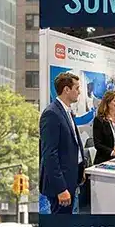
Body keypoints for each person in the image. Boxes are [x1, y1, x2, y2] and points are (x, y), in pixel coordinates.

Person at [40, 72, 85, 214]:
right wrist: (60, 188)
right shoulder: (51, 113)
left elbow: (73, 143)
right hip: (61, 184)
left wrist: (80, 168)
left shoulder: (66, 111)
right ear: (66, 89)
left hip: (71, 177)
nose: (79, 92)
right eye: (77, 88)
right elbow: (49, 154)